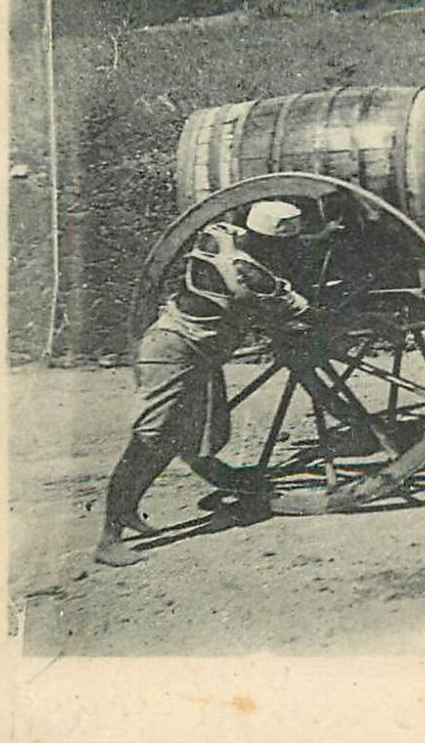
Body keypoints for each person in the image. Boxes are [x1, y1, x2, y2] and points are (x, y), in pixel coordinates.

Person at [94, 201, 315, 567]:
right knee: (150, 440)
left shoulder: (219, 238)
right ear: (270, 244)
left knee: (188, 436)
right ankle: (108, 539)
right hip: (175, 353)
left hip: (186, 346)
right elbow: (297, 307)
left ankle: (130, 511)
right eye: (283, 245)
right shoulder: (250, 275)